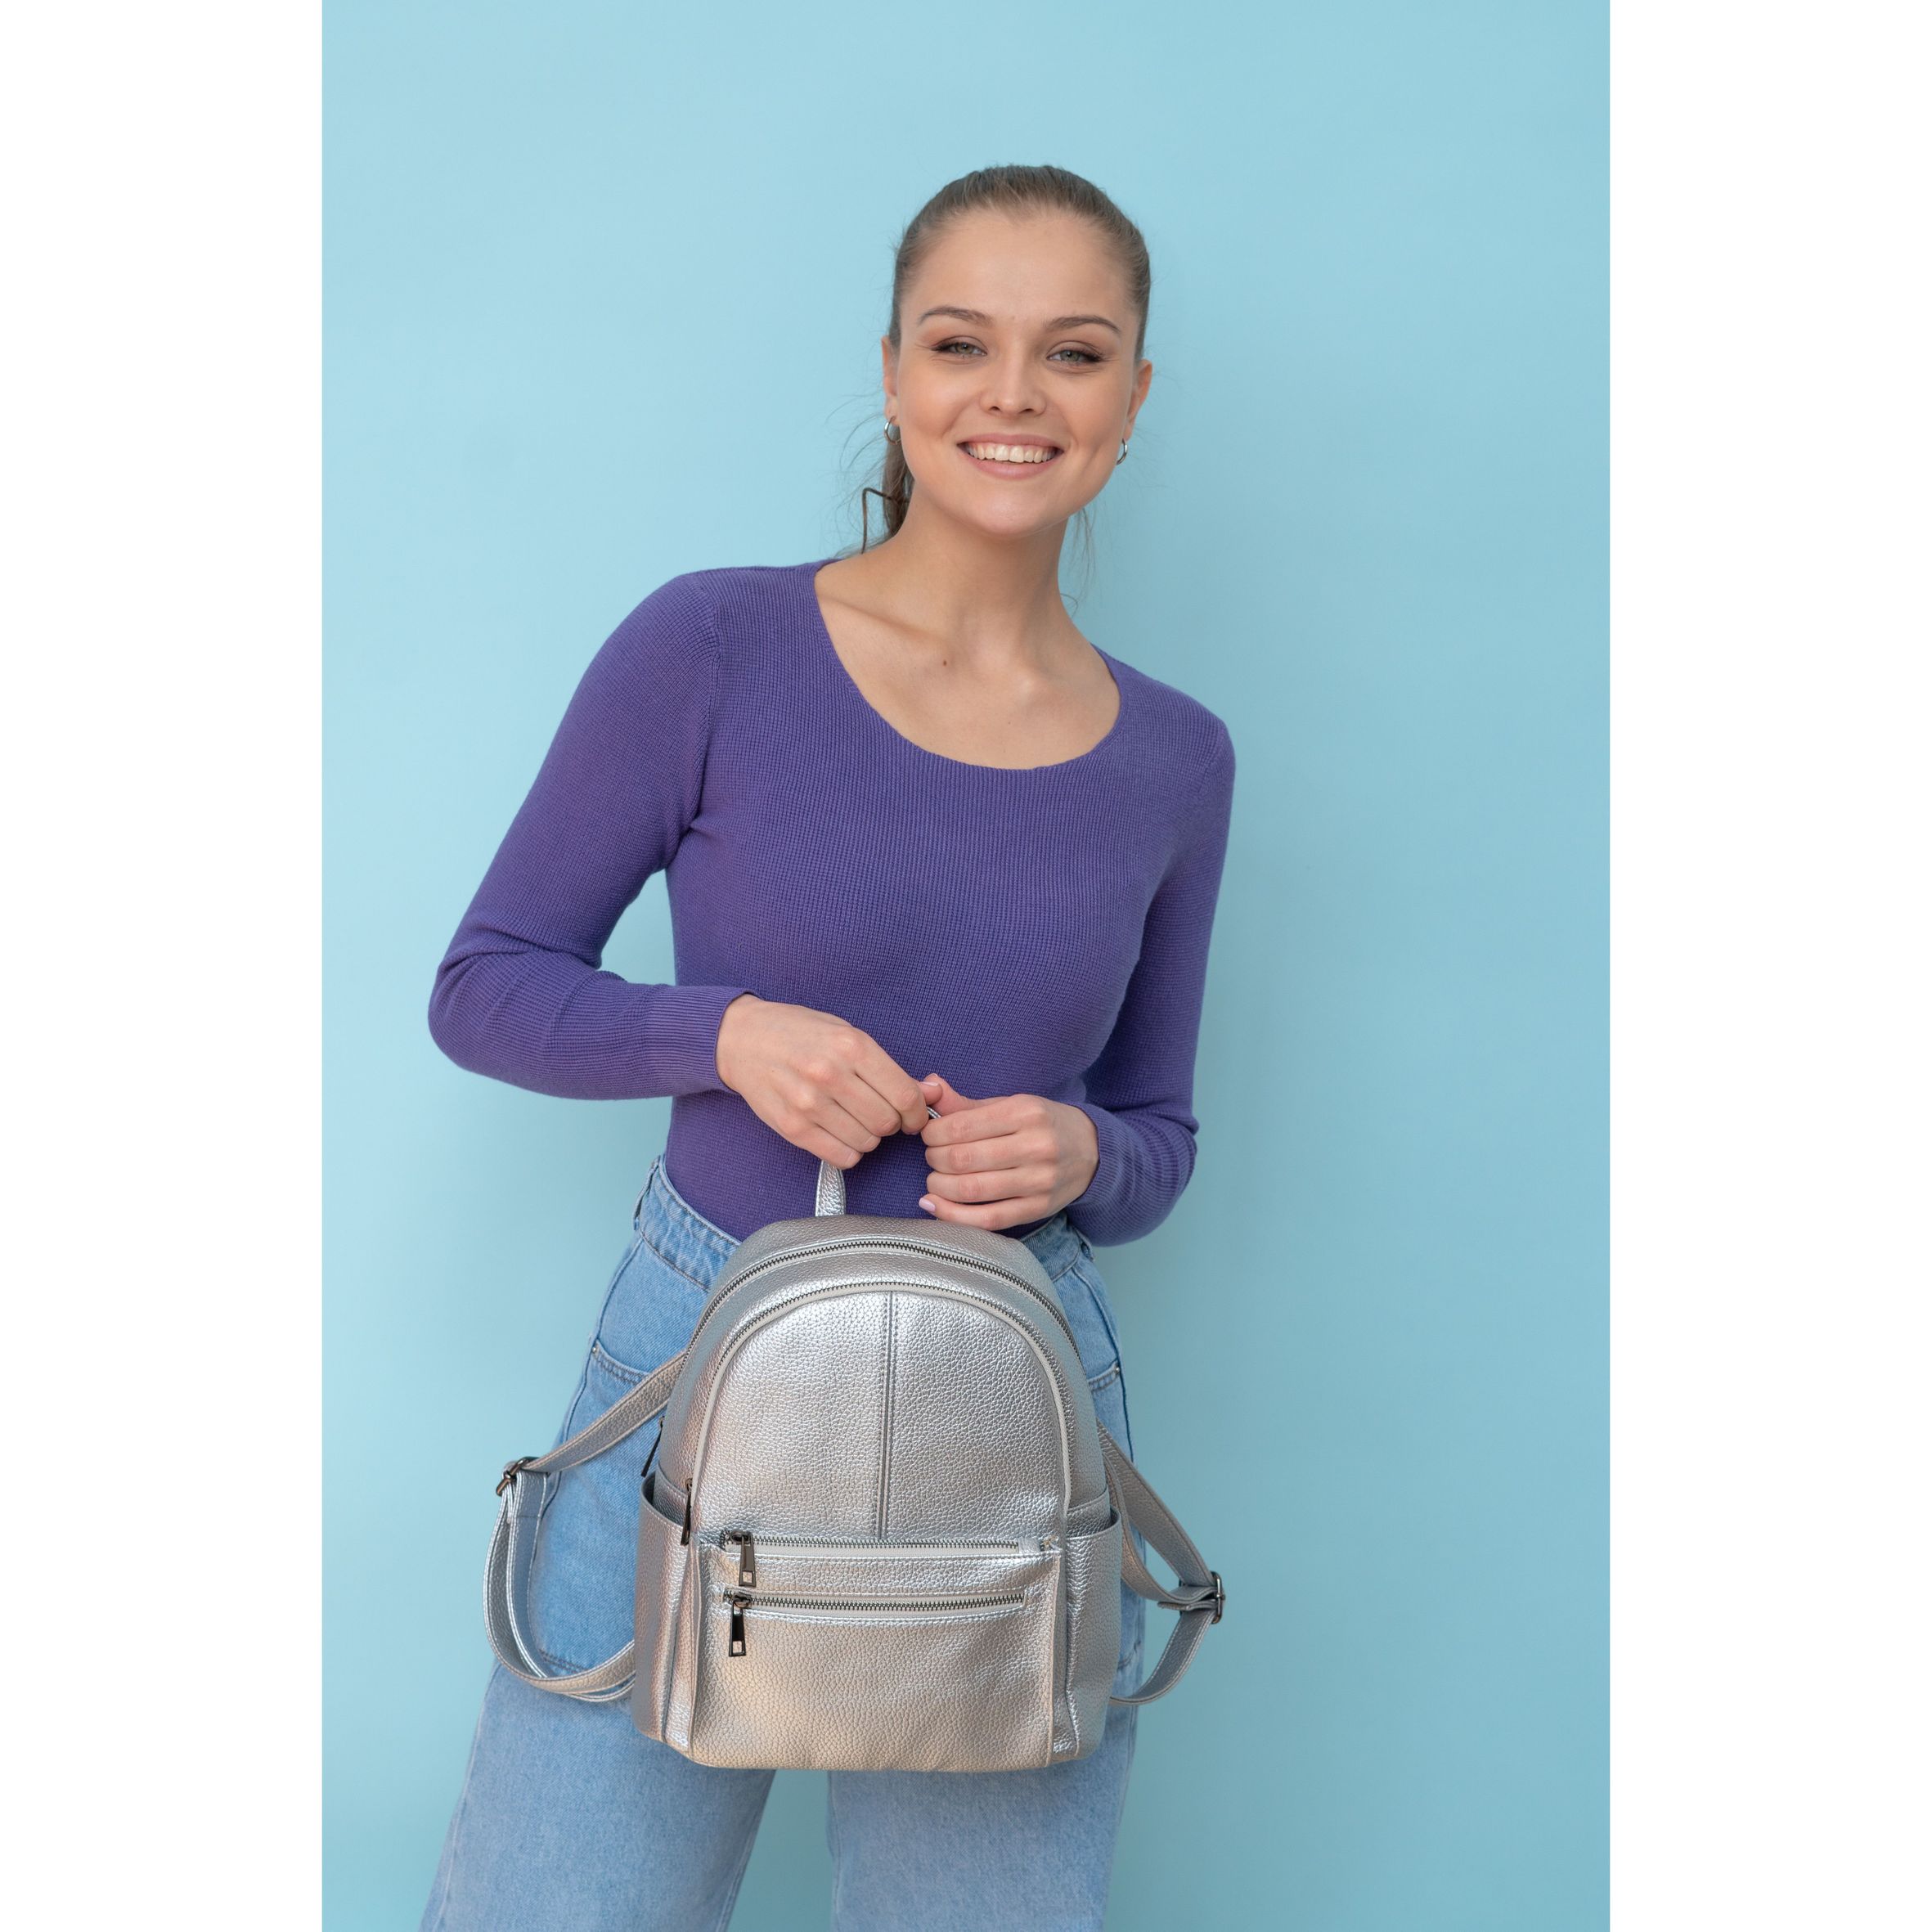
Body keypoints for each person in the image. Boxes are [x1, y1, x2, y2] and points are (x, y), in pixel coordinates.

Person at [418, 163, 1237, 1932]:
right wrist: (719, 1033)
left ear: (1130, 398)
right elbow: (484, 983)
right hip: (698, 1331)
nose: (1012, 394)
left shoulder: (1175, 758)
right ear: (889, 371)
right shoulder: (712, 645)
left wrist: (1086, 1152)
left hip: (1016, 1380)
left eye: (1071, 352)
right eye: (959, 342)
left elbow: (1156, 1135)